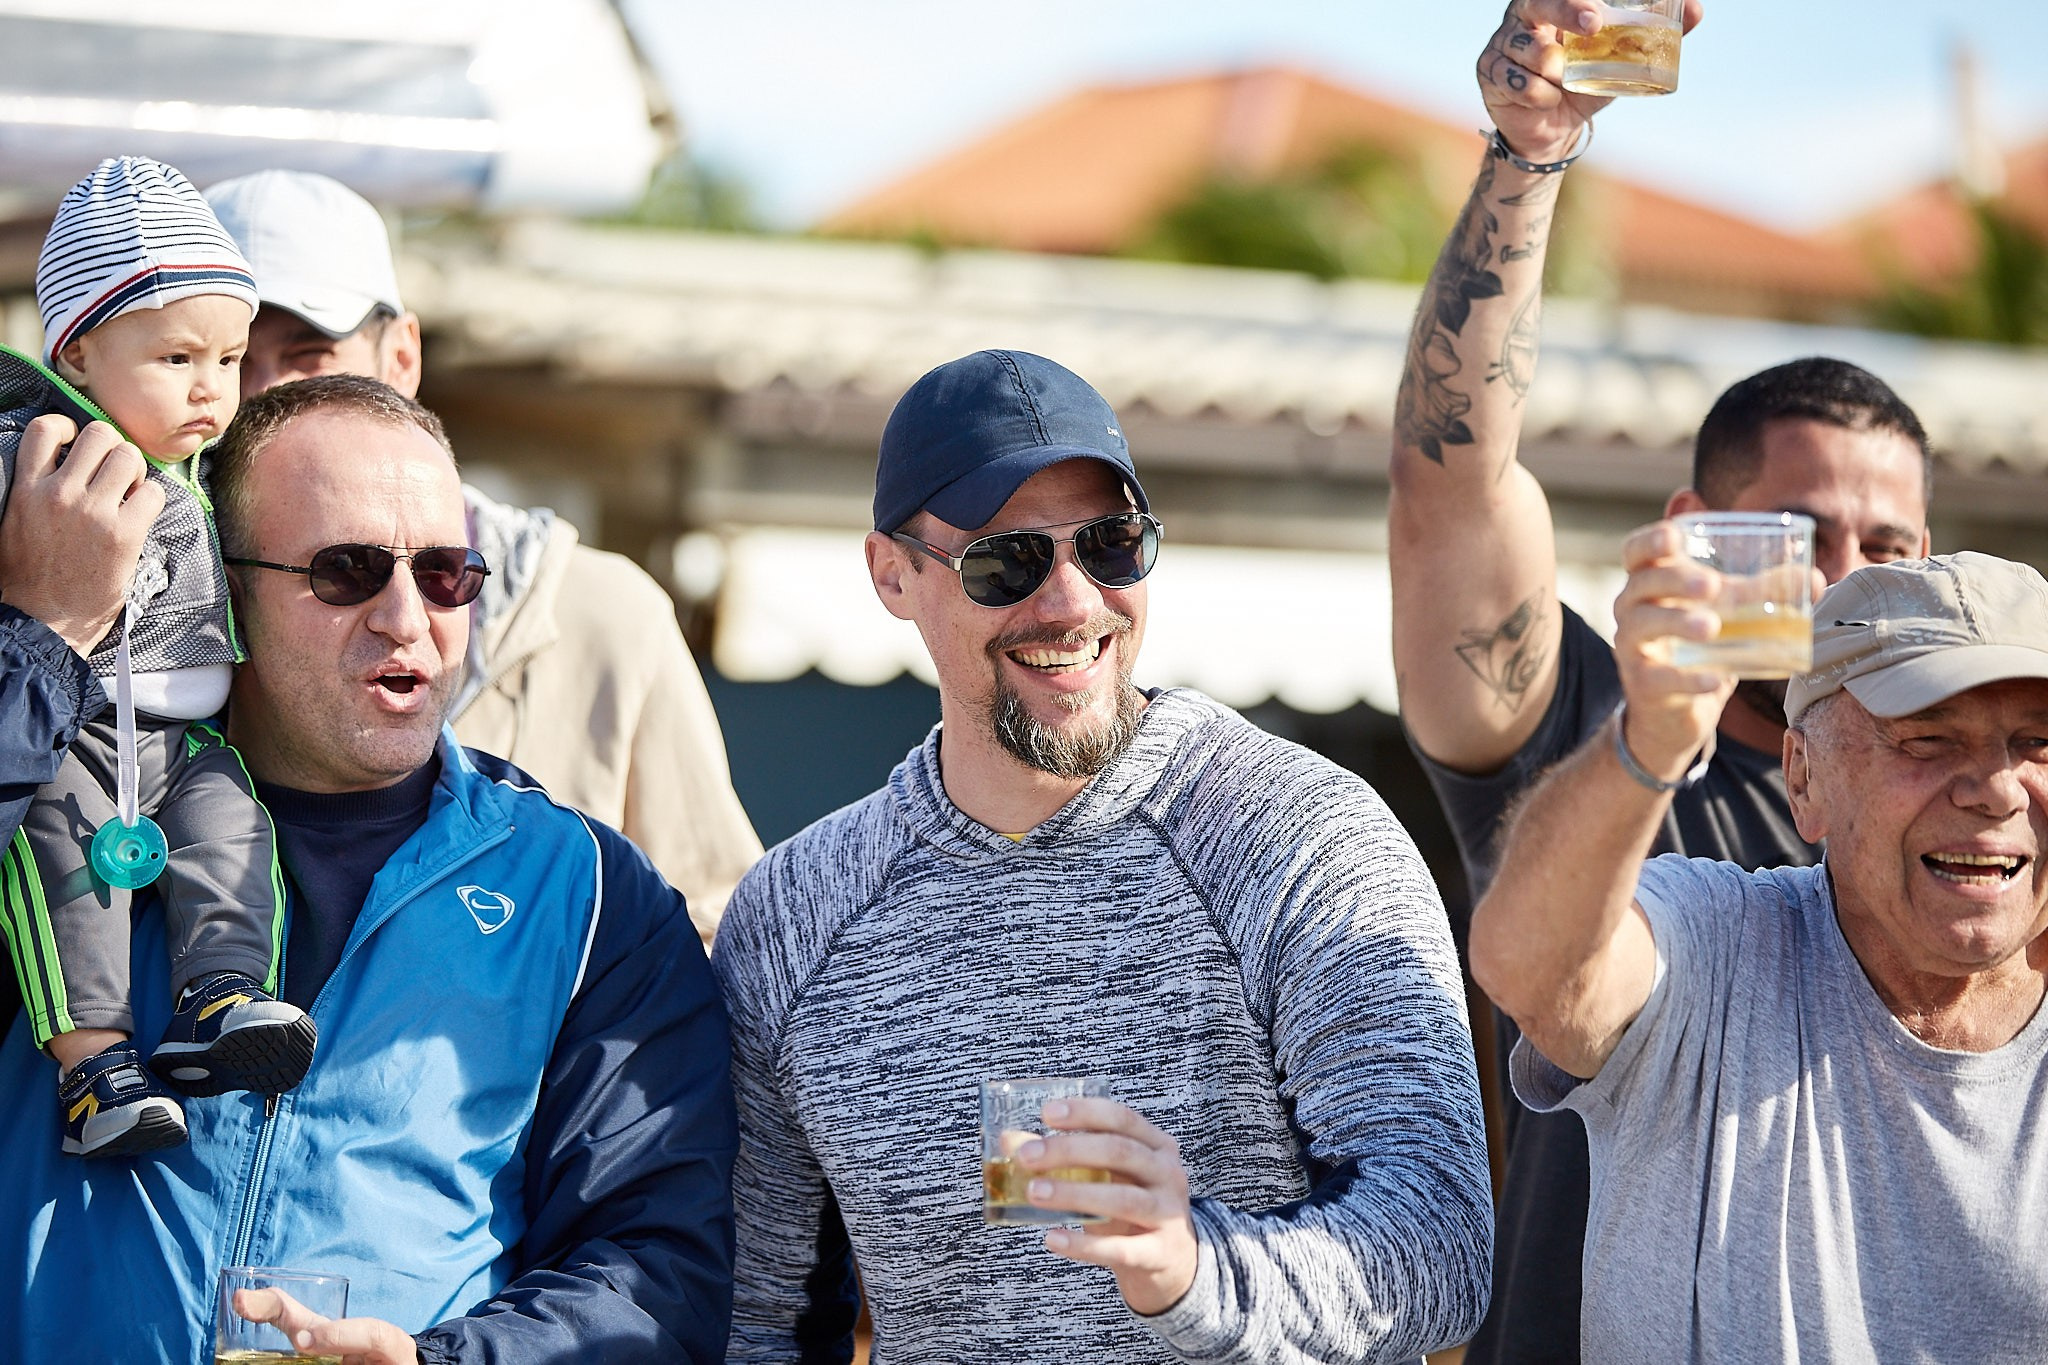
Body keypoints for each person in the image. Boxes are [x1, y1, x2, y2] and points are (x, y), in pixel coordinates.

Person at [715, 348, 1492, 1363]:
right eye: (1007, 561)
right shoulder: (794, 915)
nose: (1074, 604)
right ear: (891, 574)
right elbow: (761, 1323)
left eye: (1111, 545)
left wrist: (1194, 1272)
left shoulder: (1299, 836)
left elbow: (1438, 1245)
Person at [1386, 3, 1933, 1356]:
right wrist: (1530, 152)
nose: (1851, 577)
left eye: (1893, 545)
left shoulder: (1981, 805)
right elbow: (1451, 486)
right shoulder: (1577, 725)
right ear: (1700, 527)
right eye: (1802, 537)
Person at [0, 375, 735, 1365]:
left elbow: (657, 1269)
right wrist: (43, 642)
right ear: (223, 592)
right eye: (345, 572)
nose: (406, 617)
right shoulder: (64, 804)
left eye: (446, 574)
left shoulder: (592, 897)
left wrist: (438, 1363)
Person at [1467, 546, 2048, 1360]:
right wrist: (1649, 740)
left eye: (2038, 742)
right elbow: (1528, 965)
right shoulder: (1718, 947)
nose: (1996, 786)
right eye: (1927, 738)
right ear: (1803, 779)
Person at [202, 169, 761, 938]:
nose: (260, 399)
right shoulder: (151, 620)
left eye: (309, 356)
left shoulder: (603, 617)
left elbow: (719, 933)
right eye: (226, 360)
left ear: (402, 356)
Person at [2, 155, 311, 1161]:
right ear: (80, 354)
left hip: (186, 741)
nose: (212, 390)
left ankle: (220, 995)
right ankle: (94, 1070)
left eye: (227, 361)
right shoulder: (27, 454)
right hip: (72, 730)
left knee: (233, 829)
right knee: (64, 877)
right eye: (179, 359)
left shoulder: (204, 474)